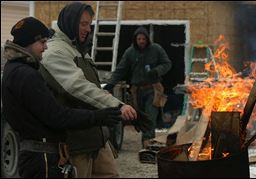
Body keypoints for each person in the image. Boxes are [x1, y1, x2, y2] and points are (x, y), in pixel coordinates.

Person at [1, 17, 123, 178]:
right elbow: (57, 116)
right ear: (29, 42)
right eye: (42, 42)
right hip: (41, 157)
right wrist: (98, 116)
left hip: (33, 154)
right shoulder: (26, 75)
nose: (46, 47)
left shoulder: (13, 69)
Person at [40, 2, 138, 178]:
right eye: (83, 24)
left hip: (95, 137)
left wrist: (104, 96)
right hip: (74, 141)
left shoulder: (78, 49)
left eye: (89, 24)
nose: (88, 29)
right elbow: (77, 86)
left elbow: (90, 86)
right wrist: (117, 105)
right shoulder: (55, 51)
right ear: (70, 22)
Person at [104, 26, 172, 148]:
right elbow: (120, 70)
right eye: (139, 39)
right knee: (140, 118)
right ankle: (146, 142)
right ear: (135, 40)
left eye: (143, 38)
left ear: (147, 39)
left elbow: (167, 63)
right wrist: (110, 84)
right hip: (137, 91)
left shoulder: (156, 49)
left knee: (150, 116)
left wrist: (157, 71)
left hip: (153, 89)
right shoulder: (130, 52)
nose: (141, 41)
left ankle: (148, 145)